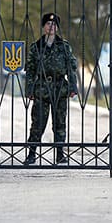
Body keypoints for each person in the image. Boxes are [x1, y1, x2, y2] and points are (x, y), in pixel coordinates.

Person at [23, 13, 79, 165]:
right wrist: (29, 90)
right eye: (48, 24)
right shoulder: (36, 47)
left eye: (54, 24)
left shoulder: (64, 46)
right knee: (38, 123)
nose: (51, 27)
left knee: (60, 123)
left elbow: (71, 68)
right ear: (43, 27)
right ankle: (32, 154)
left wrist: (73, 87)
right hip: (42, 89)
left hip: (60, 88)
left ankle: (60, 154)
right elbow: (30, 70)